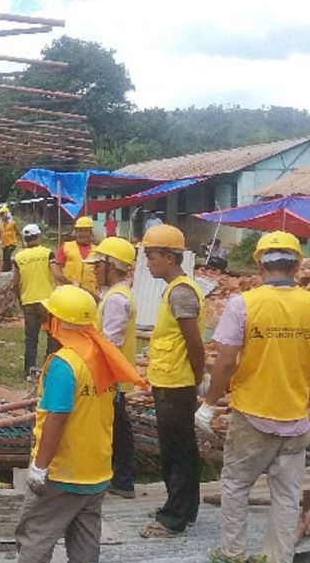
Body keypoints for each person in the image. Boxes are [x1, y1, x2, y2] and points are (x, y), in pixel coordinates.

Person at [199, 231, 310, 563]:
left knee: (235, 486)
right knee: (287, 496)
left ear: (259, 264)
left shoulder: (244, 304)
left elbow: (226, 360)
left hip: (252, 415)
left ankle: (232, 554)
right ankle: (280, 557)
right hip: (297, 416)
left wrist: (208, 405)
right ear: (297, 265)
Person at [15, 286, 144, 563]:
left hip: (63, 474)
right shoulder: (106, 357)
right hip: (96, 471)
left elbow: (57, 418)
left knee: (35, 538)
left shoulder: (65, 364)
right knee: (85, 545)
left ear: (57, 321)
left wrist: (39, 468)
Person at [139, 224, 206, 538]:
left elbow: (194, 343)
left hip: (176, 385)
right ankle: (183, 508)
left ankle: (172, 519)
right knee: (182, 450)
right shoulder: (175, 290)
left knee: (176, 452)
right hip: (170, 381)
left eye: (151, 256)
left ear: (168, 256)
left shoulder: (180, 292)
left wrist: (195, 379)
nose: (149, 262)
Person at [85, 236, 138, 499]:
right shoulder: (115, 295)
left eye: (98, 266)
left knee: (116, 426)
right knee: (117, 424)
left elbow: (110, 342)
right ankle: (120, 477)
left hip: (111, 376)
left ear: (112, 266)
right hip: (113, 375)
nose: (94, 270)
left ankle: (122, 478)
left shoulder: (117, 299)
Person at [12, 223, 57, 379]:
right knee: (52, 336)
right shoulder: (48, 253)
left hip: (28, 301)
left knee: (31, 338)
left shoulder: (18, 257)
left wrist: (20, 300)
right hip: (47, 302)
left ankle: (29, 371)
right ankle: (49, 369)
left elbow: (15, 283)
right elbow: (57, 275)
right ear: (38, 236)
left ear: (25, 239)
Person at [52, 216, 98, 297]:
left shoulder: (97, 251)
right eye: (80, 230)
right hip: (69, 293)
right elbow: (57, 272)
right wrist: (67, 284)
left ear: (90, 232)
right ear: (75, 232)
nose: (82, 234)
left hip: (90, 295)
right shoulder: (66, 247)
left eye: (85, 231)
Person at [0, 206, 19, 272]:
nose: (1, 215)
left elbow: (18, 232)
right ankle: (7, 269)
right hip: (4, 244)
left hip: (12, 243)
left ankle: (8, 269)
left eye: (2, 214)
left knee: (7, 255)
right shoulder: (0, 224)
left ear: (6, 214)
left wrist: (23, 241)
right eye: (0, 214)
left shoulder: (12, 223)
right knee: (5, 258)